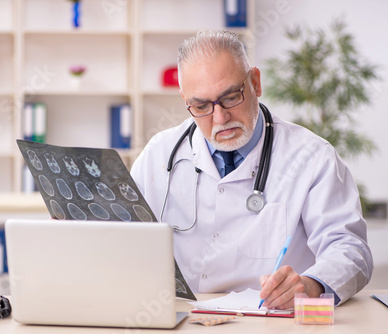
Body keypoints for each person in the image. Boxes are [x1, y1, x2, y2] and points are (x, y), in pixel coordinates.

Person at [130, 30, 373, 310]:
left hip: (270, 320)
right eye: (201, 106)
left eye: (231, 97)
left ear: (255, 82)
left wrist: (312, 285)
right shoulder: (159, 154)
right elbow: (123, 240)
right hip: (182, 317)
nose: (220, 117)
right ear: (186, 100)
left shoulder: (312, 156)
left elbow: (350, 249)